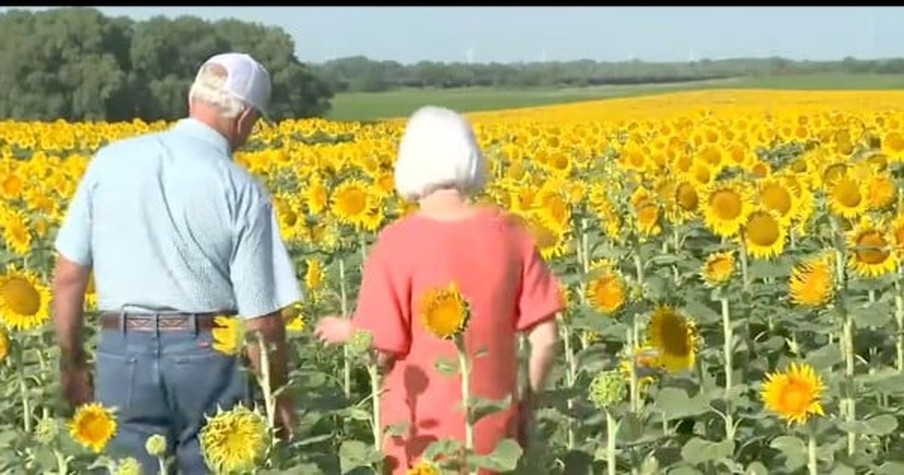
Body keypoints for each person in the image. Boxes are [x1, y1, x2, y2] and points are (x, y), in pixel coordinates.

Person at [52, 53, 301, 473]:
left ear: (192, 98)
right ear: (244, 119)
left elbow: (68, 276)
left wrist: (72, 362)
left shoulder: (109, 162)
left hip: (121, 351)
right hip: (206, 355)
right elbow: (261, 320)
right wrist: (277, 396)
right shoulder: (239, 187)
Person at [315, 106, 562, 474]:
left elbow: (381, 346)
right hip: (492, 429)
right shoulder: (512, 233)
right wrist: (526, 406)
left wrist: (343, 330)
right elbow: (546, 338)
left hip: (420, 436)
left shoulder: (398, 242)